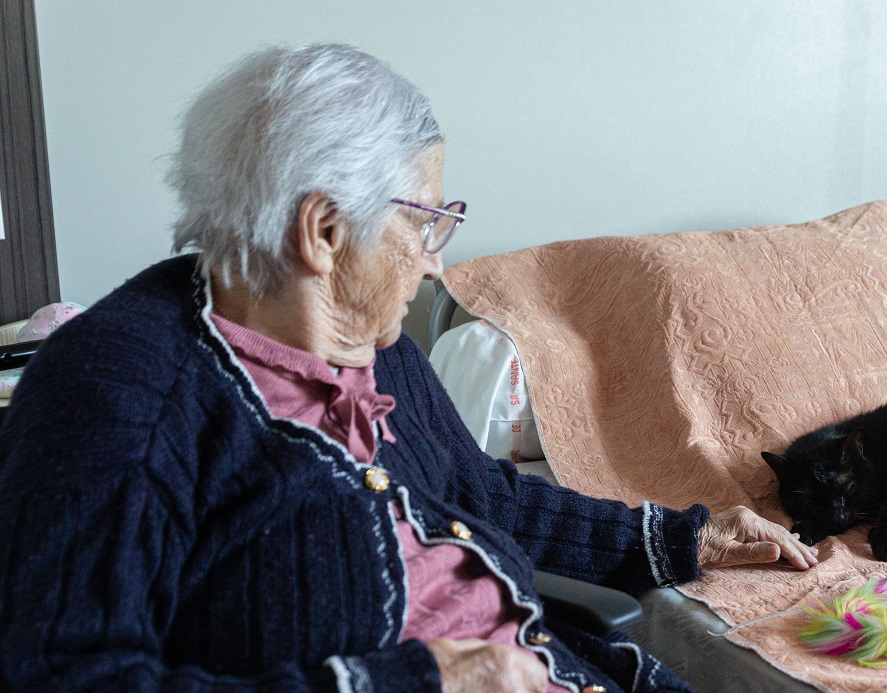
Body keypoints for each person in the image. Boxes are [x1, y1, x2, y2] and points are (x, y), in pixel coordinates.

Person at [0, 44, 817, 693]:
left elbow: (477, 492)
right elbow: (65, 674)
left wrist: (686, 534)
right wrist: (410, 680)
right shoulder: (116, 397)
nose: (434, 263)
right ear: (323, 232)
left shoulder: (375, 342)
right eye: (425, 221)